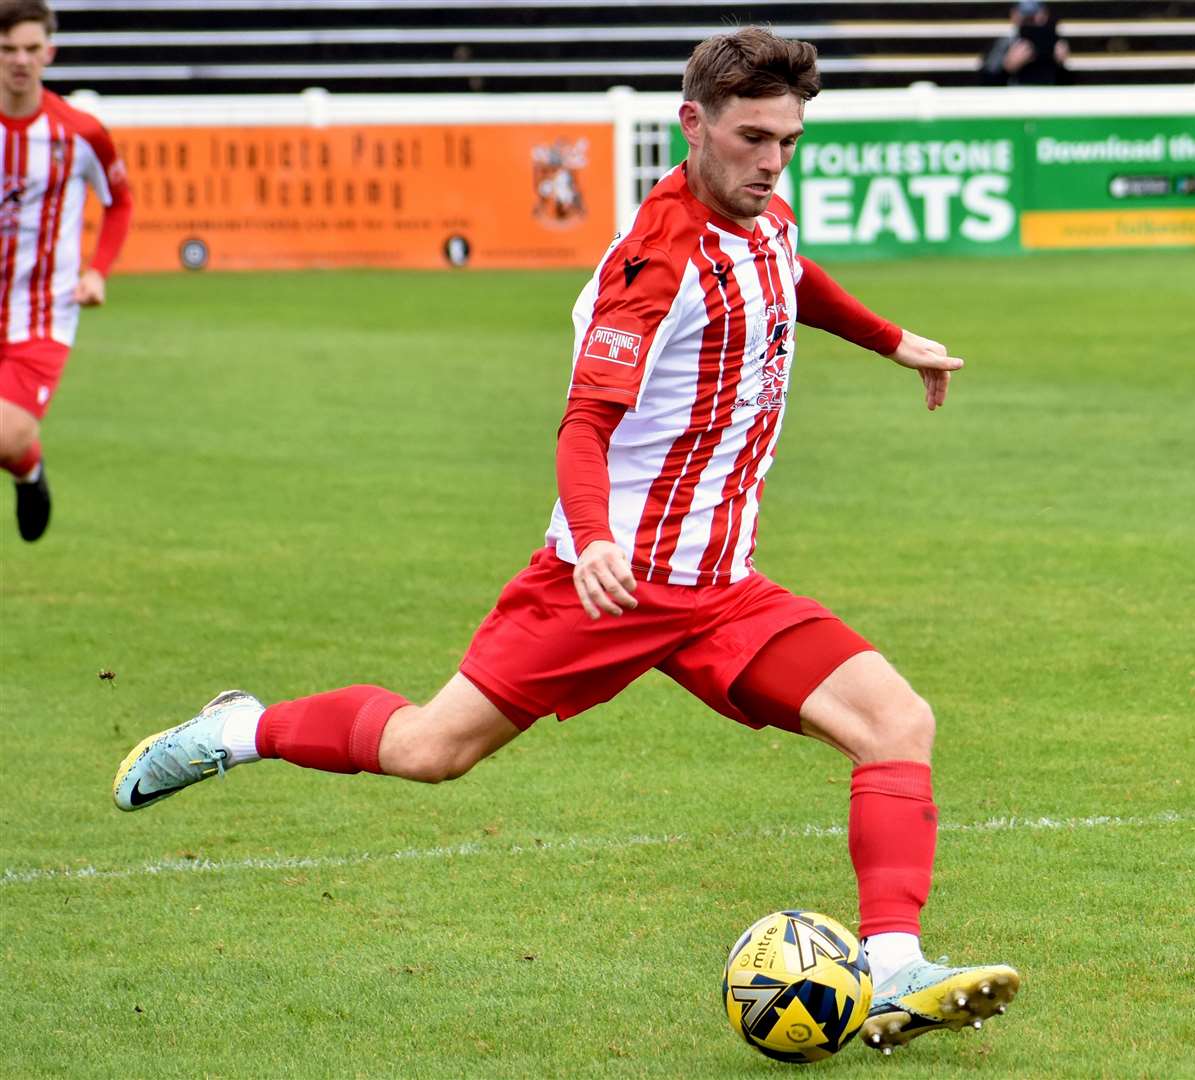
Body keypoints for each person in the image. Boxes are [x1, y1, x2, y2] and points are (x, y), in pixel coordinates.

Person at [112, 28, 1019, 1055]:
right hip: (606, 585)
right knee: (426, 750)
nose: (771, 161)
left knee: (896, 722)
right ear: (694, 126)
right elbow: (584, 422)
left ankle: (895, 970)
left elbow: (789, 275)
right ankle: (235, 729)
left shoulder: (761, 217)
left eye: (789, 140)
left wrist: (893, 342)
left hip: (722, 590)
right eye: (752, 137)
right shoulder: (653, 266)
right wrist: (591, 542)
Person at [0, 0, 131, 542]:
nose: (21, 61)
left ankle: (25, 465)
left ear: (49, 52)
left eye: (32, 49)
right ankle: (27, 465)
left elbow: (119, 202)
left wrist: (98, 270)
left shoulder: (80, 134)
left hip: (42, 314)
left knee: (4, 436)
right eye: (8, 49)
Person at [981, 0, 1070, 87]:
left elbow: (1067, 85)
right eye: (1026, 16)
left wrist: (1060, 66)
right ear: (1014, 14)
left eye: (1033, 15)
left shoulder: (1054, 42)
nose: (1030, 20)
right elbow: (984, 83)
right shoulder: (1004, 43)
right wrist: (1007, 68)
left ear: (1045, 14)